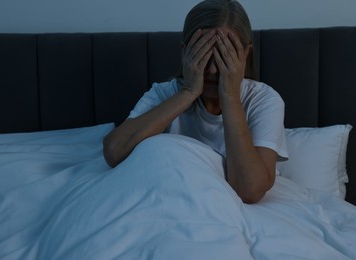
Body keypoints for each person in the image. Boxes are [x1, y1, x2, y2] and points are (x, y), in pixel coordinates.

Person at [103, 0, 288, 204]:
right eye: (203, 54)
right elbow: (114, 152)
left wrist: (230, 96)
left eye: (223, 57)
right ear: (185, 52)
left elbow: (249, 190)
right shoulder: (165, 93)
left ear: (245, 55)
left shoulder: (264, 100)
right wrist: (188, 92)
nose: (212, 71)